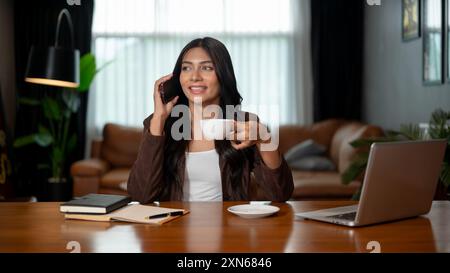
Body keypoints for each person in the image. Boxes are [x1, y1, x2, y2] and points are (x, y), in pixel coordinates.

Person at [127, 37, 293, 203]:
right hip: (174, 227)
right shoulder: (160, 123)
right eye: (186, 68)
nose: (194, 77)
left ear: (223, 74)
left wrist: (264, 139)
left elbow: (281, 194)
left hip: (229, 227)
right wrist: (159, 119)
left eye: (206, 68)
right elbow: (141, 194)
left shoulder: (245, 123)